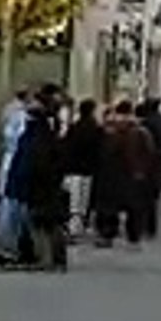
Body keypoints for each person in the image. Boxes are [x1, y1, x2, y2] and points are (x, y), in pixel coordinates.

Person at [0, 87, 67, 270]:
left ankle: (31, 254)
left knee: (34, 221)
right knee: (34, 220)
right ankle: (28, 253)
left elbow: (34, 159)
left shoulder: (36, 131)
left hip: (29, 183)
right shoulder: (43, 130)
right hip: (30, 182)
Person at [92, 101, 155, 248]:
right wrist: (144, 171)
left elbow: (102, 153)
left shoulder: (109, 131)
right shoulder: (140, 131)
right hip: (134, 175)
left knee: (109, 207)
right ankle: (133, 238)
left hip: (111, 175)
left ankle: (107, 235)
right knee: (134, 208)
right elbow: (149, 152)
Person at [61, 99, 102, 238]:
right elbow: (98, 150)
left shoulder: (75, 127)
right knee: (84, 200)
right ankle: (80, 225)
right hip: (89, 169)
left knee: (74, 200)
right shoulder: (95, 128)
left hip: (74, 168)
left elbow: (66, 147)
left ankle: (74, 227)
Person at [136, 98, 161, 238]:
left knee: (144, 195)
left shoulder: (146, 123)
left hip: (148, 163)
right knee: (154, 195)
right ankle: (152, 227)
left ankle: (146, 226)